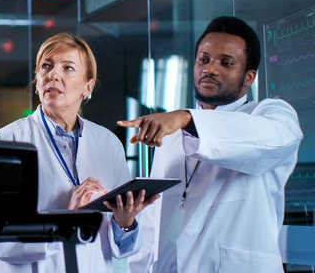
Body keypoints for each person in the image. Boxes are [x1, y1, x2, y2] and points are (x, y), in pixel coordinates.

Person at [120, 16, 303, 272]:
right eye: (203, 60)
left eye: (226, 63)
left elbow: (270, 137)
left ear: (248, 77)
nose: (210, 69)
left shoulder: (272, 115)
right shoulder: (174, 130)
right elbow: (154, 220)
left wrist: (186, 118)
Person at [0, 33, 157, 272]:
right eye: (46, 66)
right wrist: (64, 220)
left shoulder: (108, 143)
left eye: (68, 68)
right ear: (37, 80)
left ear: (88, 87)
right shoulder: (6, 141)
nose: (53, 75)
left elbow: (126, 246)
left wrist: (125, 223)